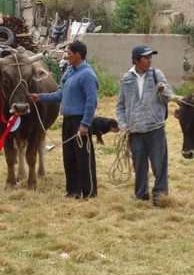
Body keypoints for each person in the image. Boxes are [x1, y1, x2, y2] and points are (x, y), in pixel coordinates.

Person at [30, 41, 99, 199]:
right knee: (69, 157)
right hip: (68, 121)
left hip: (80, 121)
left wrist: (85, 124)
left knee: (84, 158)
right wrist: (40, 97)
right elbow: (60, 95)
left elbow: (91, 102)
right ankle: (72, 191)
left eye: (69, 53)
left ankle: (88, 192)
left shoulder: (87, 75)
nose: (67, 56)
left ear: (78, 55)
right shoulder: (70, 72)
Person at [116, 45, 176, 207]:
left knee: (159, 164)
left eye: (150, 57)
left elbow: (169, 96)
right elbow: (120, 105)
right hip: (135, 130)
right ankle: (141, 195)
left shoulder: (157, 75)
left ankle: (160, 195)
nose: (149, 60)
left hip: (155, 128)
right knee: (139, 165)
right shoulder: (126, 79)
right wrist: (123, 125)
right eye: (146, 57)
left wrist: (163, 89)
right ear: (136, 60)